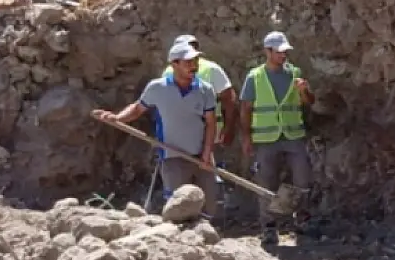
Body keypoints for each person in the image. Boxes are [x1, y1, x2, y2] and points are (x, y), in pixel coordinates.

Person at [94, 40, 219, 217]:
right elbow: (137, 109)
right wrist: (118, 118)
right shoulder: (157, 88)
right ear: (174, 64)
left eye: (195, 61)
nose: (194, 66)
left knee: (209, 204)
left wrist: (207, 153)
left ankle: (207, 231)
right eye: (188, 62)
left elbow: (211, 123)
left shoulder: (205, 90)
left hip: (201, 157)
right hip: (173, 156)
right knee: (178, 206)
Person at [240, 31, 313, 243]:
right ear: (268, 51)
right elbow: (245, 108)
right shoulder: (255, 77)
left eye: (285, 51)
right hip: (266, 138)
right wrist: (246, 137)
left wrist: (304, 91)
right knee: (266, 184)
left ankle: (302, 221)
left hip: (292, 134)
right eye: (279, 52)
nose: (283, 55)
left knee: (302, 179)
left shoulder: (294, 73)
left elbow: (309, 102)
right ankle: (269, 228)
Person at [164, 34, 236, 207]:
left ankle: (208, 214)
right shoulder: (168, 73)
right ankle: (191, 214)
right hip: (180, 139)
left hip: (207, 136)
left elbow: (228, 98)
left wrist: (228, 128)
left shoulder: (211, 69)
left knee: (208, 179)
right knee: (190, 180)